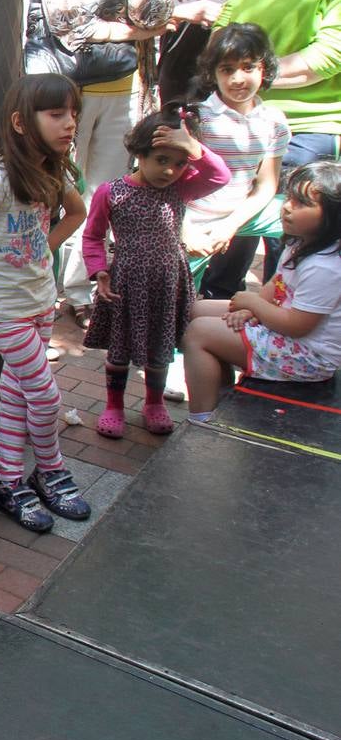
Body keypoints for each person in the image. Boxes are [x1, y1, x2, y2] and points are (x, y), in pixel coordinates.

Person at [0, 74, 90, 534]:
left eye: (73, 114)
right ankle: (49, 469)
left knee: (16, 392)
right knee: (45, 396)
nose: (69, 124)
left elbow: (77, 213)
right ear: (21, 122)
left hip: (41, 301)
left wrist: (42, 250)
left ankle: (7, 480)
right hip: (4, 309)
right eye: (56, 114)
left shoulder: (51, 170)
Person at [35, 0, 174, 329]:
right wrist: (137, 31)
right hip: (70, 91)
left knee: (101, 195)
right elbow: (68, 25)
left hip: (125, 92)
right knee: (57, 190)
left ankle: (79, 291)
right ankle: (42, 286)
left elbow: (157, 15)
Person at [213, 0, 341, 279]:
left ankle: (274, 330)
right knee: (226, 233)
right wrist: (239, 77)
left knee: (286, 250)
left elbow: (327, 55)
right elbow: (224, 22)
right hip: (244, 123)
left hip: (304, 130)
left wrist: (244, 76)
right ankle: (216, 313)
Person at [82, 104, 231, 438]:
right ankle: (114, 405)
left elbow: (220, 175)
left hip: (168, 282)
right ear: (140, 153)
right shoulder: (112, 192)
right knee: (119, 349)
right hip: (125, 282)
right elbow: (93, 236)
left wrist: (195, 148)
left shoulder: (181, 189)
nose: (170, 171)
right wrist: (99, 272)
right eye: (161, 160)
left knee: (160, 347)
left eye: (180, 163)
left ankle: (154, 403)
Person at [183, 162, 341, 419]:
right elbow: (275, 286)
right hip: (283, 327)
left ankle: (202, 416)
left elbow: (298, 326)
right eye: (289, 198)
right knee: (195, 310)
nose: (287, 207)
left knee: (199, 332)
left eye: (301, 203)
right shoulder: (299, 243)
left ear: (333, 216)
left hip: (307, 357)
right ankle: (219, 395)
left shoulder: (325, 267)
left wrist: (255, 306)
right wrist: (252, 308)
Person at [185, 24, 289, 297]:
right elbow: (166, 185)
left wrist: (229, 226)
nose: (238, 79)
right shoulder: (198, 117)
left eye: (248, 67)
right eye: (227, 69)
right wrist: (185, 230)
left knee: (314, 220)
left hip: (240, 214)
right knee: (177, 302)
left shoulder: (273, 120)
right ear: (213, 73)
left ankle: (289, 299)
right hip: (194, 219)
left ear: (263, 68)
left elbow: (266, 185)